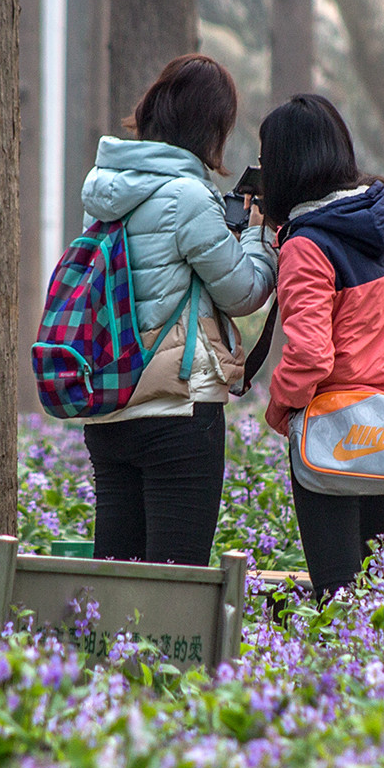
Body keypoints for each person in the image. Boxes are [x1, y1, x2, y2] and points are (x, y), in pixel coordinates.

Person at [80, 54, 277, 566]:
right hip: (178, 411)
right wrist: (258, 236)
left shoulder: (105, 192)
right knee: (176, 585)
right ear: (210, 126)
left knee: (117, 579)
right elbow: (245, 293)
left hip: (110, 408)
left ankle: (102, 653)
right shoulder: (189, 197)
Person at [257, 94, 384, 603]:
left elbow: (310, 356)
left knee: (340, 598)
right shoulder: (380, 228)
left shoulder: (306, 246)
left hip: (334, 433)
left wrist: (279, 409)